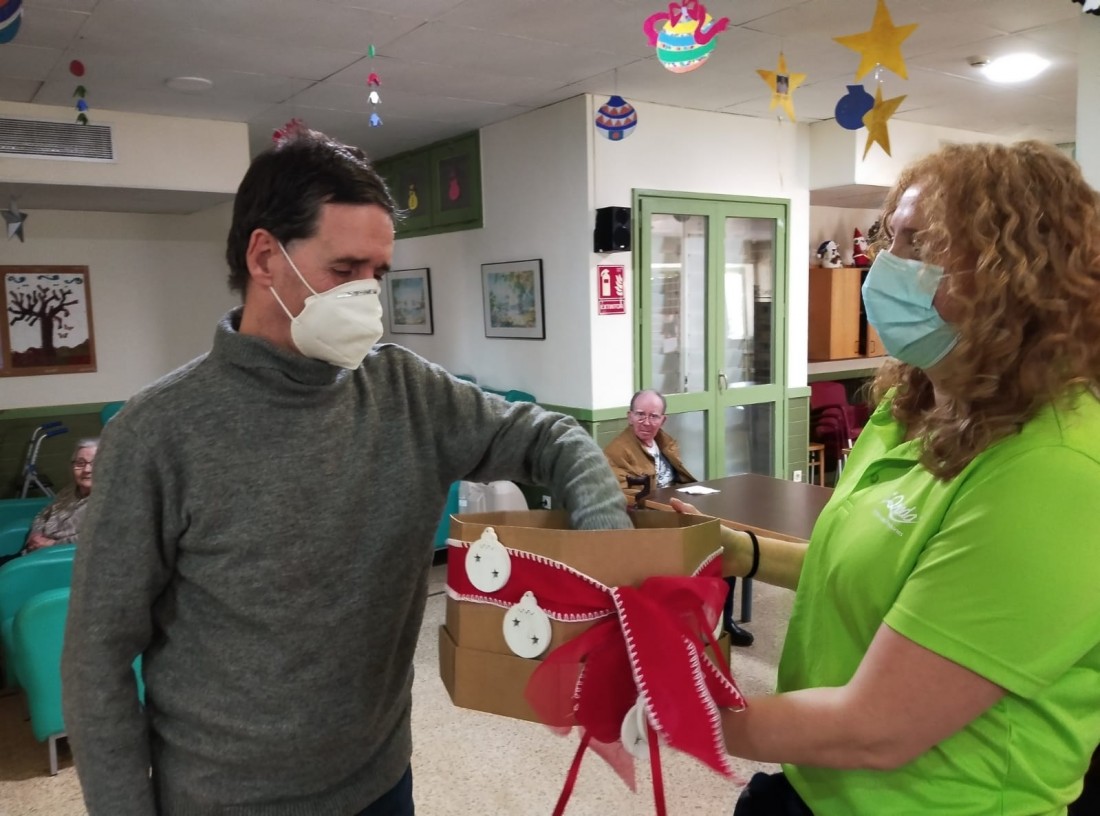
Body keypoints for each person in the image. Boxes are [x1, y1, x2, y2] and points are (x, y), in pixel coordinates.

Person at [60, 128, 632, 816]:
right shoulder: (156, 432)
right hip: (225, 800)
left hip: (380, 782)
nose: (367, 295)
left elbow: (550, 436)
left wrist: (611, 546)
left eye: (378, 273)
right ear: (264, 257)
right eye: (344, 269)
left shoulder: (408, 391)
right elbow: (97, 657)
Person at [676, 140, 1100, 815]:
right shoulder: (914, 406)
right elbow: (877, 570)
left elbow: (877, 730)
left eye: (922, 246)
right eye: (890, 239)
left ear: (1018, 278)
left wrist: (678, 708)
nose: (886, 267)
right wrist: (739, 552)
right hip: (821, 786)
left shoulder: (1055, 470)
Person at [604, 389, 754, 647]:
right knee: (708, 548)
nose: (646, 422)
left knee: (722, 547)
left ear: (663, 420)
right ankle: (693, 624)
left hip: (677, 513)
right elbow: (622, 496)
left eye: (653, 416)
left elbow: (677, 482)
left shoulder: (665, 443)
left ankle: (723, 620)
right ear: (629, 416)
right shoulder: (617, 451)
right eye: (640, 414)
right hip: (648, 525)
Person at [0, 438, 97, 566]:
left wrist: (52, 545)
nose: (87, 470)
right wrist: (35, 535)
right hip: (30, 555)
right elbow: (43, 515)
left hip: (56, 563)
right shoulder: (69, 491)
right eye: (80, 463)